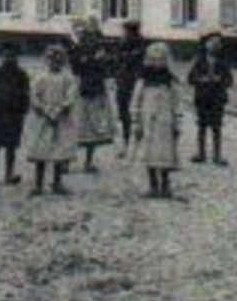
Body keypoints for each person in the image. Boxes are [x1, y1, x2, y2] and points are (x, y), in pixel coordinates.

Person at [25, 45, 79, 196]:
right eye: (52, 60)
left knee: (59, 151)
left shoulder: (68, 78)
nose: (55, 63)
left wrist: (60, 111)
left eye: (59, 60)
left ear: (63, 61)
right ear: (47, 61)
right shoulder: (40, 77)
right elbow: (34, 96)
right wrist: (46, 112)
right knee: (41, 151)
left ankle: (57, 182)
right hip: (43, 118)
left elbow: (70, 97)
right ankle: (38, 184)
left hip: (61, 118)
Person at [130, 42, 182, 198]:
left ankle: (165, 185)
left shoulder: (170, 80)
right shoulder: (143, 79)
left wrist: (177, 121)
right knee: (149, 153)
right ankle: (153, 185)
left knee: (165, 153)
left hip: (165, 121)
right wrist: (136, 120)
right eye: (153, 59)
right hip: (148, 121)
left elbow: (176, 101)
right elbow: (136, 100)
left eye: (160, 59)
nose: (156, 62)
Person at [71, 18, 114, 172]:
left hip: (94, 88)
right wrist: (92, 61)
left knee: (91, 126)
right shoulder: (78, 49)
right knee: (78, 124)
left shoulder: (97, 50)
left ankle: (86, 161)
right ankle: (72, 160)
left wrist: (95, 61)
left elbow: (106, 70)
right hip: (84, 88)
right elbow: (76, 67)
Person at [0, 42, 30, 186]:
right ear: (2, 56)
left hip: (14, 115)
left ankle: (9, 174)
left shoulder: (22, 75)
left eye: (13, 55)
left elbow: (26, 95)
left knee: (11, 147)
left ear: (17, 57)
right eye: (7, 54)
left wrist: (22, 111)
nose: (10, 57)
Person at [187, 32, 233, 165]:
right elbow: (190, 79)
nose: (215, 45)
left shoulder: (223, 62)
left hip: (217, 99)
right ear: (206, 45)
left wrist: (220, 80)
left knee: (216, 127)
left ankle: (217, 155)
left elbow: (230, 80)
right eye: (212, 42)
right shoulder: (199, 61)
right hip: (202, 98)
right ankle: (201, 153)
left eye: (218, 43)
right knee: (201, 126)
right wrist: (202, 79)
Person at [113, 21, 145, 158]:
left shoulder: (140, 46)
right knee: (124, 115)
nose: (124, 35)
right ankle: (127, 145)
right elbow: (117, 62)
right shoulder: (122, 45)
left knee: (134, 115)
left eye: (126, 32)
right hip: (123, 82)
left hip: (133, 83)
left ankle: (133, 146)